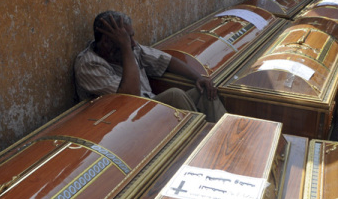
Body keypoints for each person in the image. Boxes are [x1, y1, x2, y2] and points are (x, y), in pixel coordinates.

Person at [74, 10, 226, 122]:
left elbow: (167, 60)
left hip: (150, 107)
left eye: (131, 37)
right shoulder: (88, 65)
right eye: (127, 38)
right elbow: (130, 98)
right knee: (175, 95)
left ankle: (224, 136)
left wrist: (198, 78)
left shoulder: (131, 48)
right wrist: (126, 47)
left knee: (205, 91)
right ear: (107, 42)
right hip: (125, 121)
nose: (133, 43)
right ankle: (201, 139)